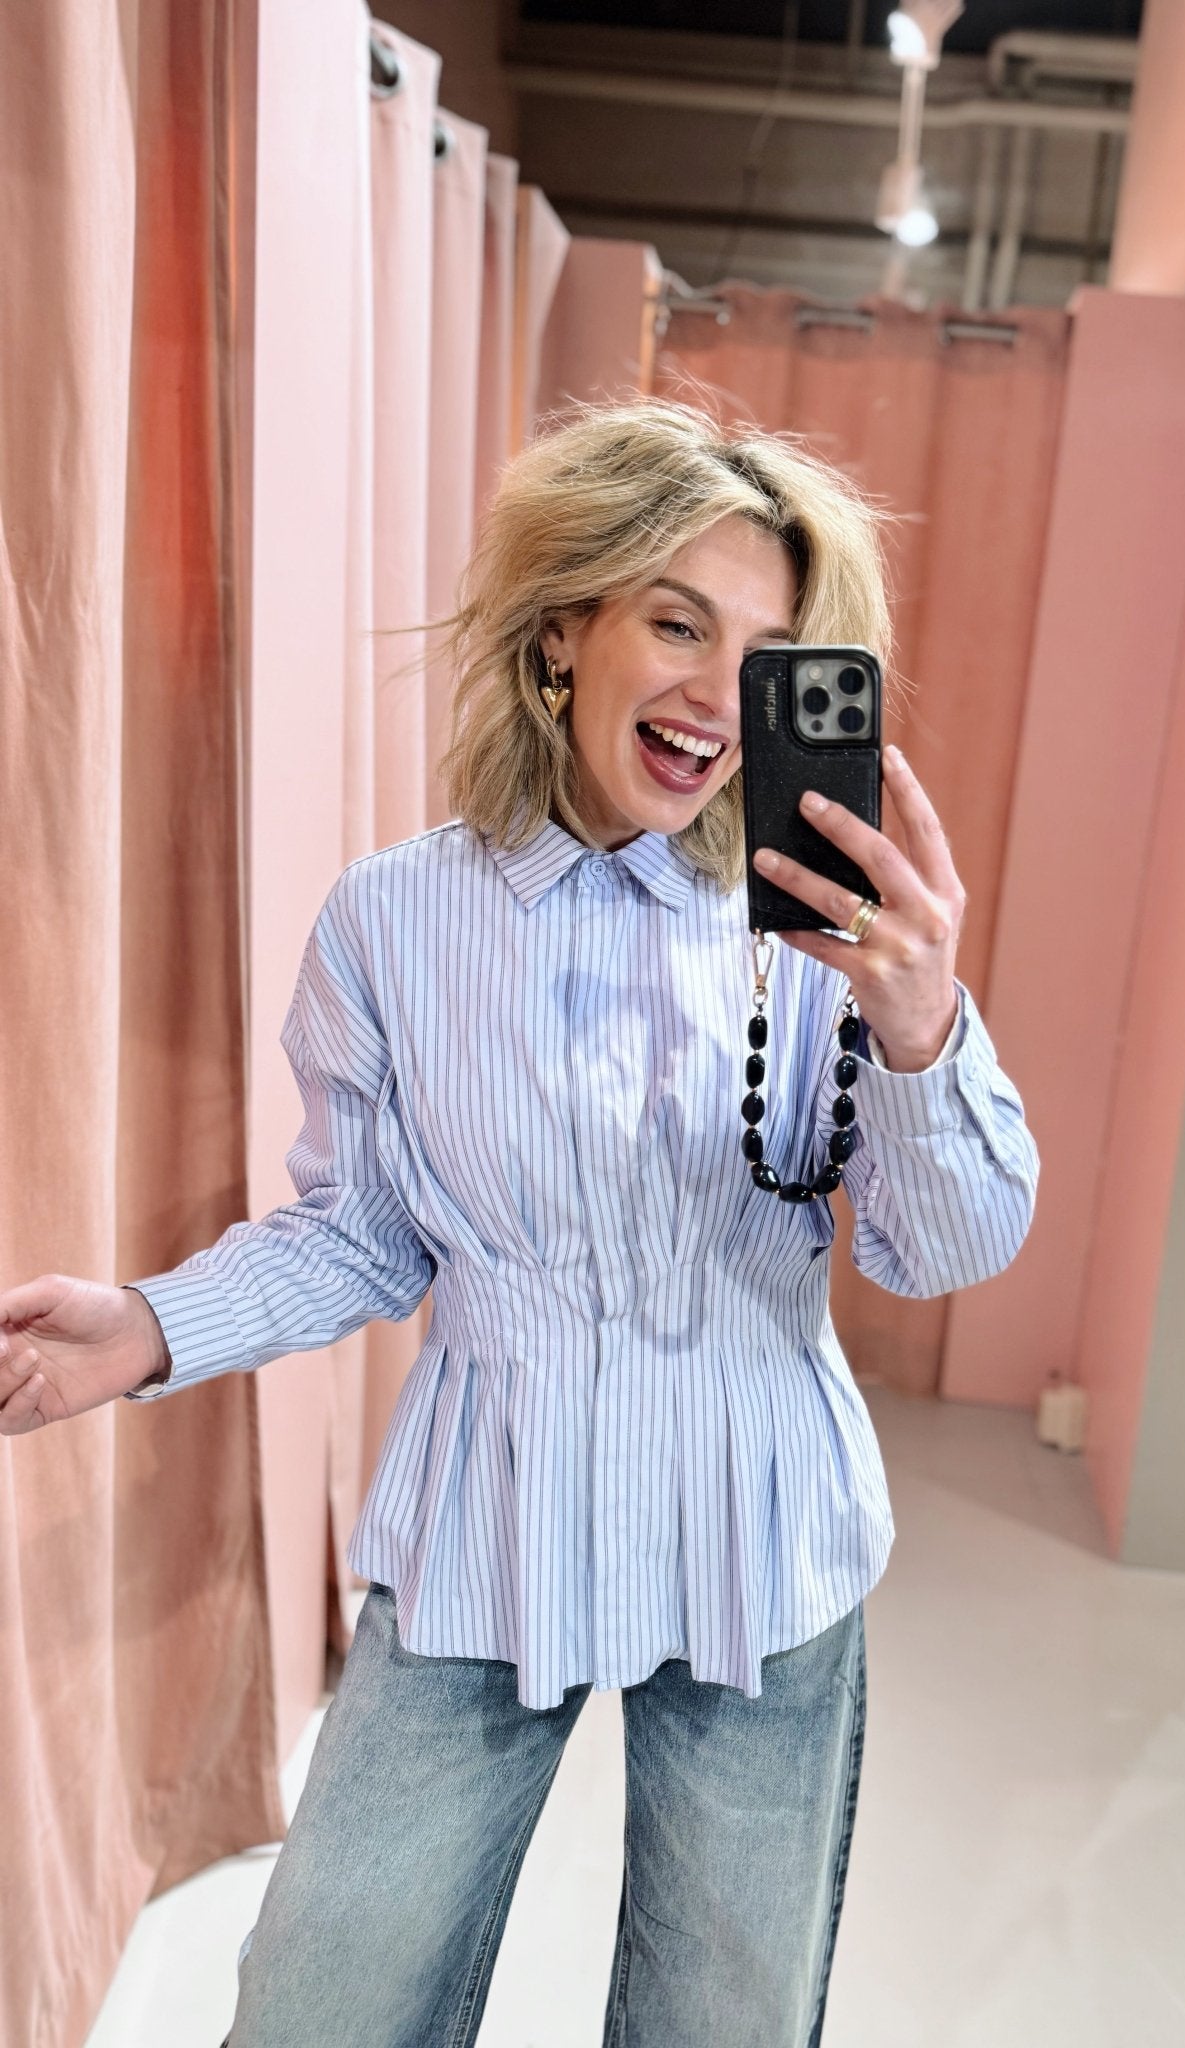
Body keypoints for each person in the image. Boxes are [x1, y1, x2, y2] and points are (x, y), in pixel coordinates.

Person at [0, 400, 1041, 2046]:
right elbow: (363, 1234)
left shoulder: (822, 937)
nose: (720, 694)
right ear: (566, 628)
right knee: (319, 2007)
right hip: (491, 1519)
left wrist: (920, 1033)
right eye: (678, 624)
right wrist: (148, 1327)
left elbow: (946, 1247)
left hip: (762, 1536)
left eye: (768, 655)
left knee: (720, 2025)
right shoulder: (394, 921)